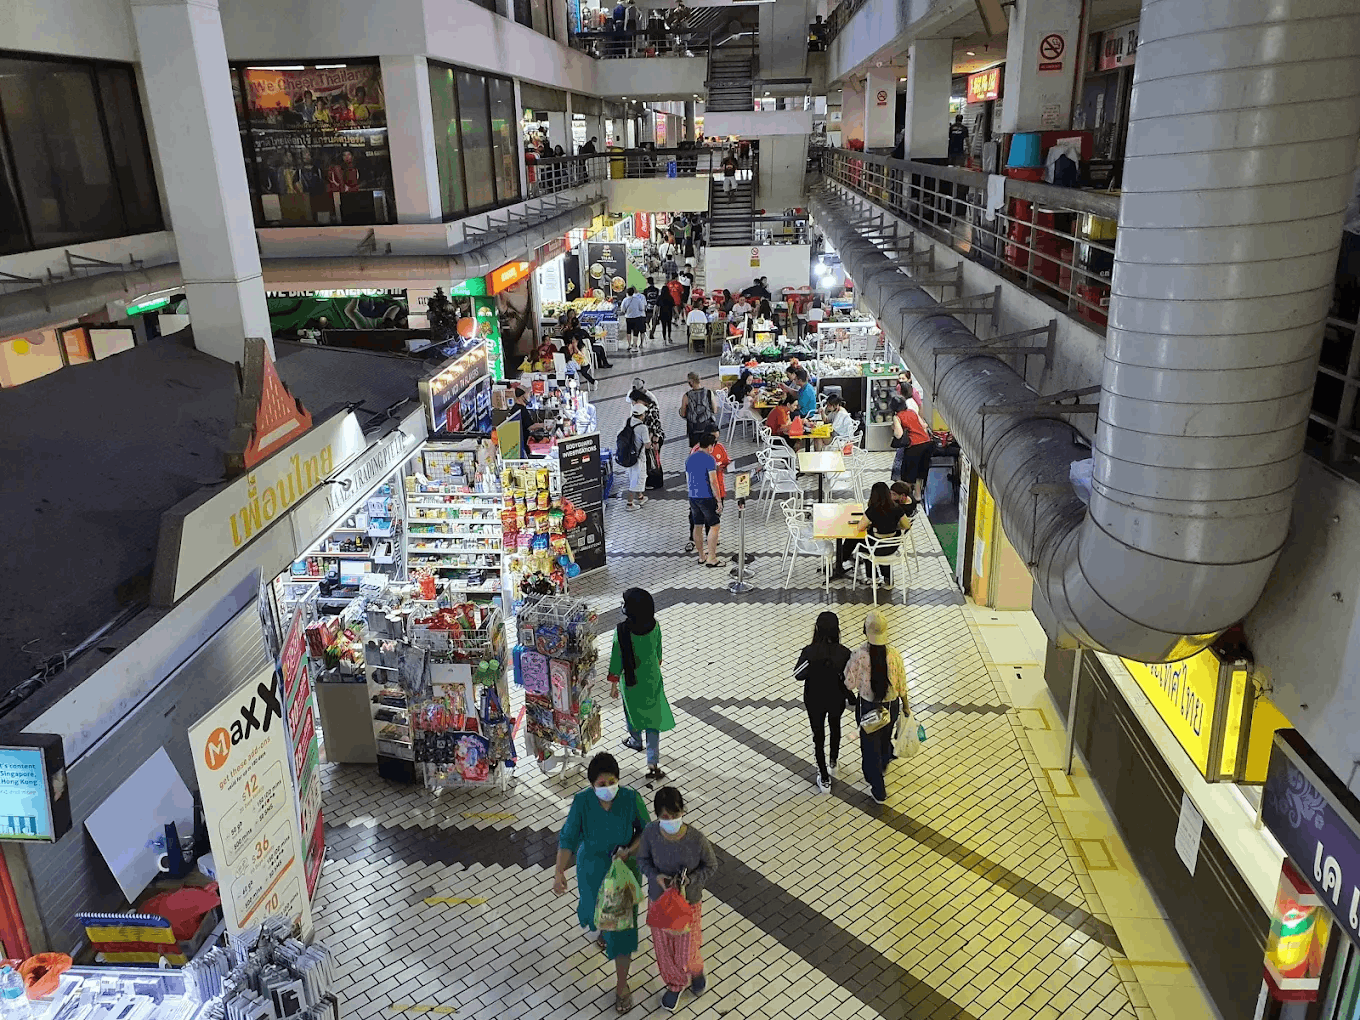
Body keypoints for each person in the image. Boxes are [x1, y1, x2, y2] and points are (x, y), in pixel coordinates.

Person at [553, 752, 650, 1014]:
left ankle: (621, 986)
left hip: (623, 873)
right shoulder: (582, 802)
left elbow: (646, 830)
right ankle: (604, 930)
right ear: (592, 785)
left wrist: (629, 850)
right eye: (602, 784)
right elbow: (568, 837)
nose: (608, 788)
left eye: (612, 782)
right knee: (595, 914)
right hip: (592, 872)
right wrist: (559, 871)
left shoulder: (631, 799)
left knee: (623, 931)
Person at [638, 786, 718, 1011]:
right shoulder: (650, 834)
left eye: (675, 815)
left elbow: (711, 865)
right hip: (660, 901)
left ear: (683, 811)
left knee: (687, 949)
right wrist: (656, 876)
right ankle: (675, 984)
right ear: (657, 816)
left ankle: (695, 969)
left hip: (688, 903)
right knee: (663, 949)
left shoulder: (696, 839)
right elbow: (642, 860)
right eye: (665, 817)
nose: (670, 820)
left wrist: (691, 880)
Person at [844, 609, 909, 804]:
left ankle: (878, 788)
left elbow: (849, 683)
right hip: (891, 706)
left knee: (869, 746)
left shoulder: (859, 655)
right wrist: (906, 707)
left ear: (865, 631)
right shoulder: (894, 654)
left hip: (868, 708)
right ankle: (884, 759)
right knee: (884, 737)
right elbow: (902, 684)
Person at [610, 588, 674, 781]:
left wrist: (613, 684)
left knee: (632, 712)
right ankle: (652, 760)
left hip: (631, 682)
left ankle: (635, 740)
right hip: (652, 678)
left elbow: (617, 659)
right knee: (653, 720)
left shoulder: (621, 631)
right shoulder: (655, 626)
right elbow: (658, 651)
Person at [795, 612, 853, 793]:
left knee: (818, 735)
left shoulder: (809, 652)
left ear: (817, 629)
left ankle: (824, 777)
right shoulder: (844, 652)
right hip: (836, 698)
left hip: (814, 700)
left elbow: (798, 674)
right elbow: (849, 679)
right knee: (835, 727)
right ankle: (833, 761)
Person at [832, 481, 909, 580]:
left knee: (855, 540)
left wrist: (869, 524)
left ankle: (871, 576)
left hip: (876, 548)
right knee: (866, 541)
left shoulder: (873, 510)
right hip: (892, 546)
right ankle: (887, 577)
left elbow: (860, 528)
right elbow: (906, 525)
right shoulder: (897, 508)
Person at [685, 433, 723, 568]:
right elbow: (713, 481)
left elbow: (688, 479)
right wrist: (719, 500)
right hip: (706, 496)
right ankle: (712, 558)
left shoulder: (690, 458)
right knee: (714, 525)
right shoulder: (709, 459)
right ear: (711, 446)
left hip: (693, 497)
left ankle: (701, 556)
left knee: (697, 525)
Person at [890, 394, 933, 500]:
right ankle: (918, 496)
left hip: (914, 446)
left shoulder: (897, 417)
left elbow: (898, 434)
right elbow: (924, 425)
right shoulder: (912, 412)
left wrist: (894, 428)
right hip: (927, 443)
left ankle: (905, 498)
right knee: (920, 473)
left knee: (908, 474)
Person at [630, 385, 667, 488]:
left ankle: (655, 482)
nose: (634, 404)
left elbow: (655, 425)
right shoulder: (644, 407)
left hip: (654, 439)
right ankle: (652, 481)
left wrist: (655, 441)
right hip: (648, 438)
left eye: (634, 402)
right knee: (651, 460)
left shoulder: (651, 408)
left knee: (654, 460)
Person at [622, 402, 652, 510]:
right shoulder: (642, 427)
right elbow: (647, 445)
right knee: (636, 481)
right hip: (638, 458)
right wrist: (650, 436)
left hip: (628, 455)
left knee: (634, 477)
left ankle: (640, 497)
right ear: (642, 415)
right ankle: (629, 504)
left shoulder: (629, 421)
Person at [679, 372, 719, 448]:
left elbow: (683, 413)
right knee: (709, 449)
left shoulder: (686, 396)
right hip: (708, 428)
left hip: (694, 430)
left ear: (691, 382)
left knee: (695, 450)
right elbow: (715, 410)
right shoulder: (709, 393)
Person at [619, 286, 649, 353]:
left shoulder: (625, 300)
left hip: (628, 318)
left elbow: (622, 309)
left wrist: (627, 311)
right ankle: (634, 346)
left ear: (627, 293)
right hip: (637, 317)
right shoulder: (637, 299)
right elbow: (642, 308)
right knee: (635, 332)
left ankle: (629, 345)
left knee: (629, 331)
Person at [657, 276, 678, 344]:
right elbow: (674, 306)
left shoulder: (660, 297)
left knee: (663, 327)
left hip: (662, 314)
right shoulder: (670, 297)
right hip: (669, 314)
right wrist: (677, 313)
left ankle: (664, 339)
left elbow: (657, 306)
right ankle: (669, 337)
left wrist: (656, 314)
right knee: (669, 326)